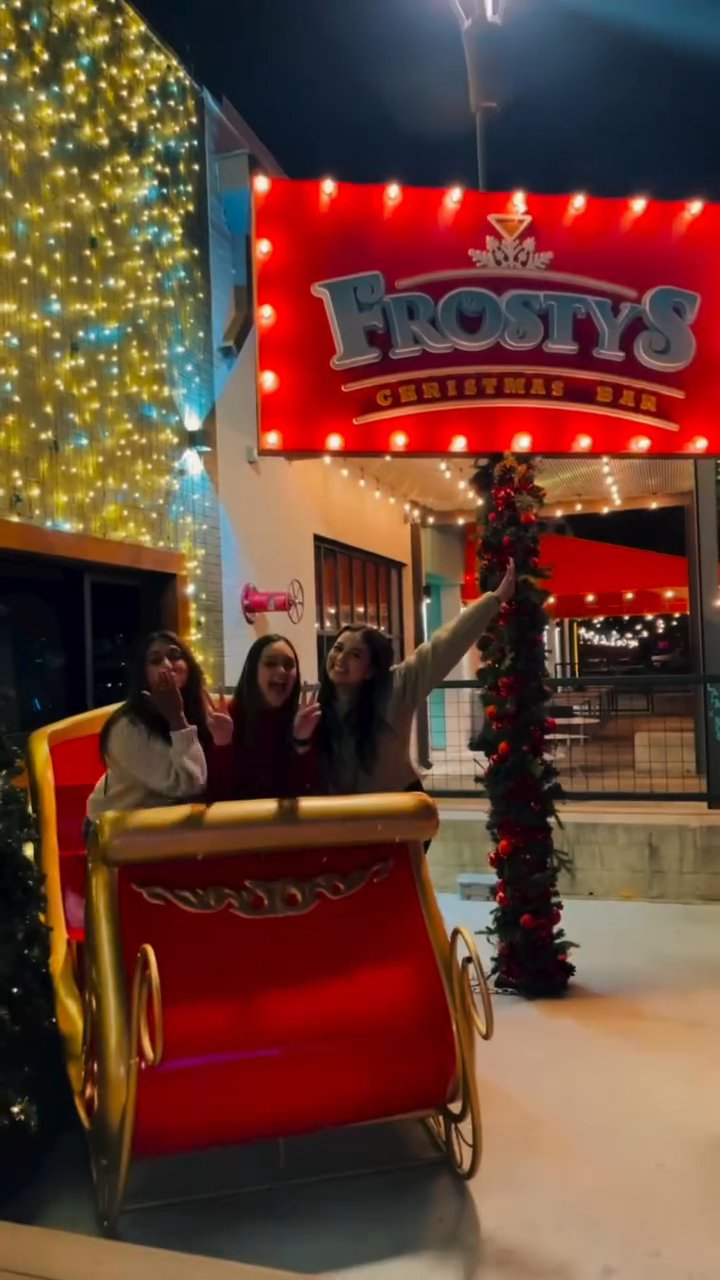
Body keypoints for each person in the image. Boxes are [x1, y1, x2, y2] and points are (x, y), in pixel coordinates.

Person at [317, 561, 516, 796]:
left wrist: (494, 599)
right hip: (346, 813)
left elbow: (445, 644)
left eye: (355, 655)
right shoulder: (317, 708)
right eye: (338, 648)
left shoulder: (397, 687)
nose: (340, 658)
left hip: (399, 807)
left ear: (371, 669)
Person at [85, 630, 232, 832]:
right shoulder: (127, 727)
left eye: (175, 656)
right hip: (115, 829)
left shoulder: (201, 708)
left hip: (170, 824)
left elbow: (215, 782)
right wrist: (177, 719)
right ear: (143, 675)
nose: (167, 665)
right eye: (155, 661)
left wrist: (223, 741)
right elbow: (190, 785)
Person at [205, 634, 321, 802]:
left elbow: (307, 793)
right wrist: (222, 744)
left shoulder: (304, 719)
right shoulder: (227, 717)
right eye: (270, 663)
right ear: (253, 671)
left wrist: (302, 741)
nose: (281, 671)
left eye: (288, 665)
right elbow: (217, 795)